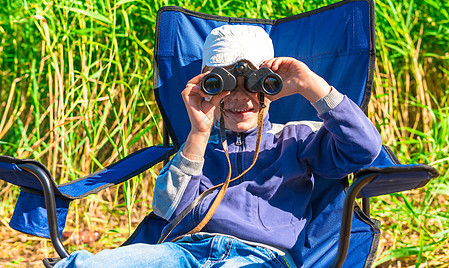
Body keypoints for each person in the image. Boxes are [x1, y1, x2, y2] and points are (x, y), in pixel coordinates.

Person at [55, 25, 382, 267]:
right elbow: (167, 212)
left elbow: (364, 148)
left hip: (261, 259)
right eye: (223, 83)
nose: (240, 98)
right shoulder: (196, 146)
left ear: (269, 86)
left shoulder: (298, 139)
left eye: (253, 84)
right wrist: (198, 133)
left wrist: (312, 86)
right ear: (207, 86)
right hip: (183, 254)